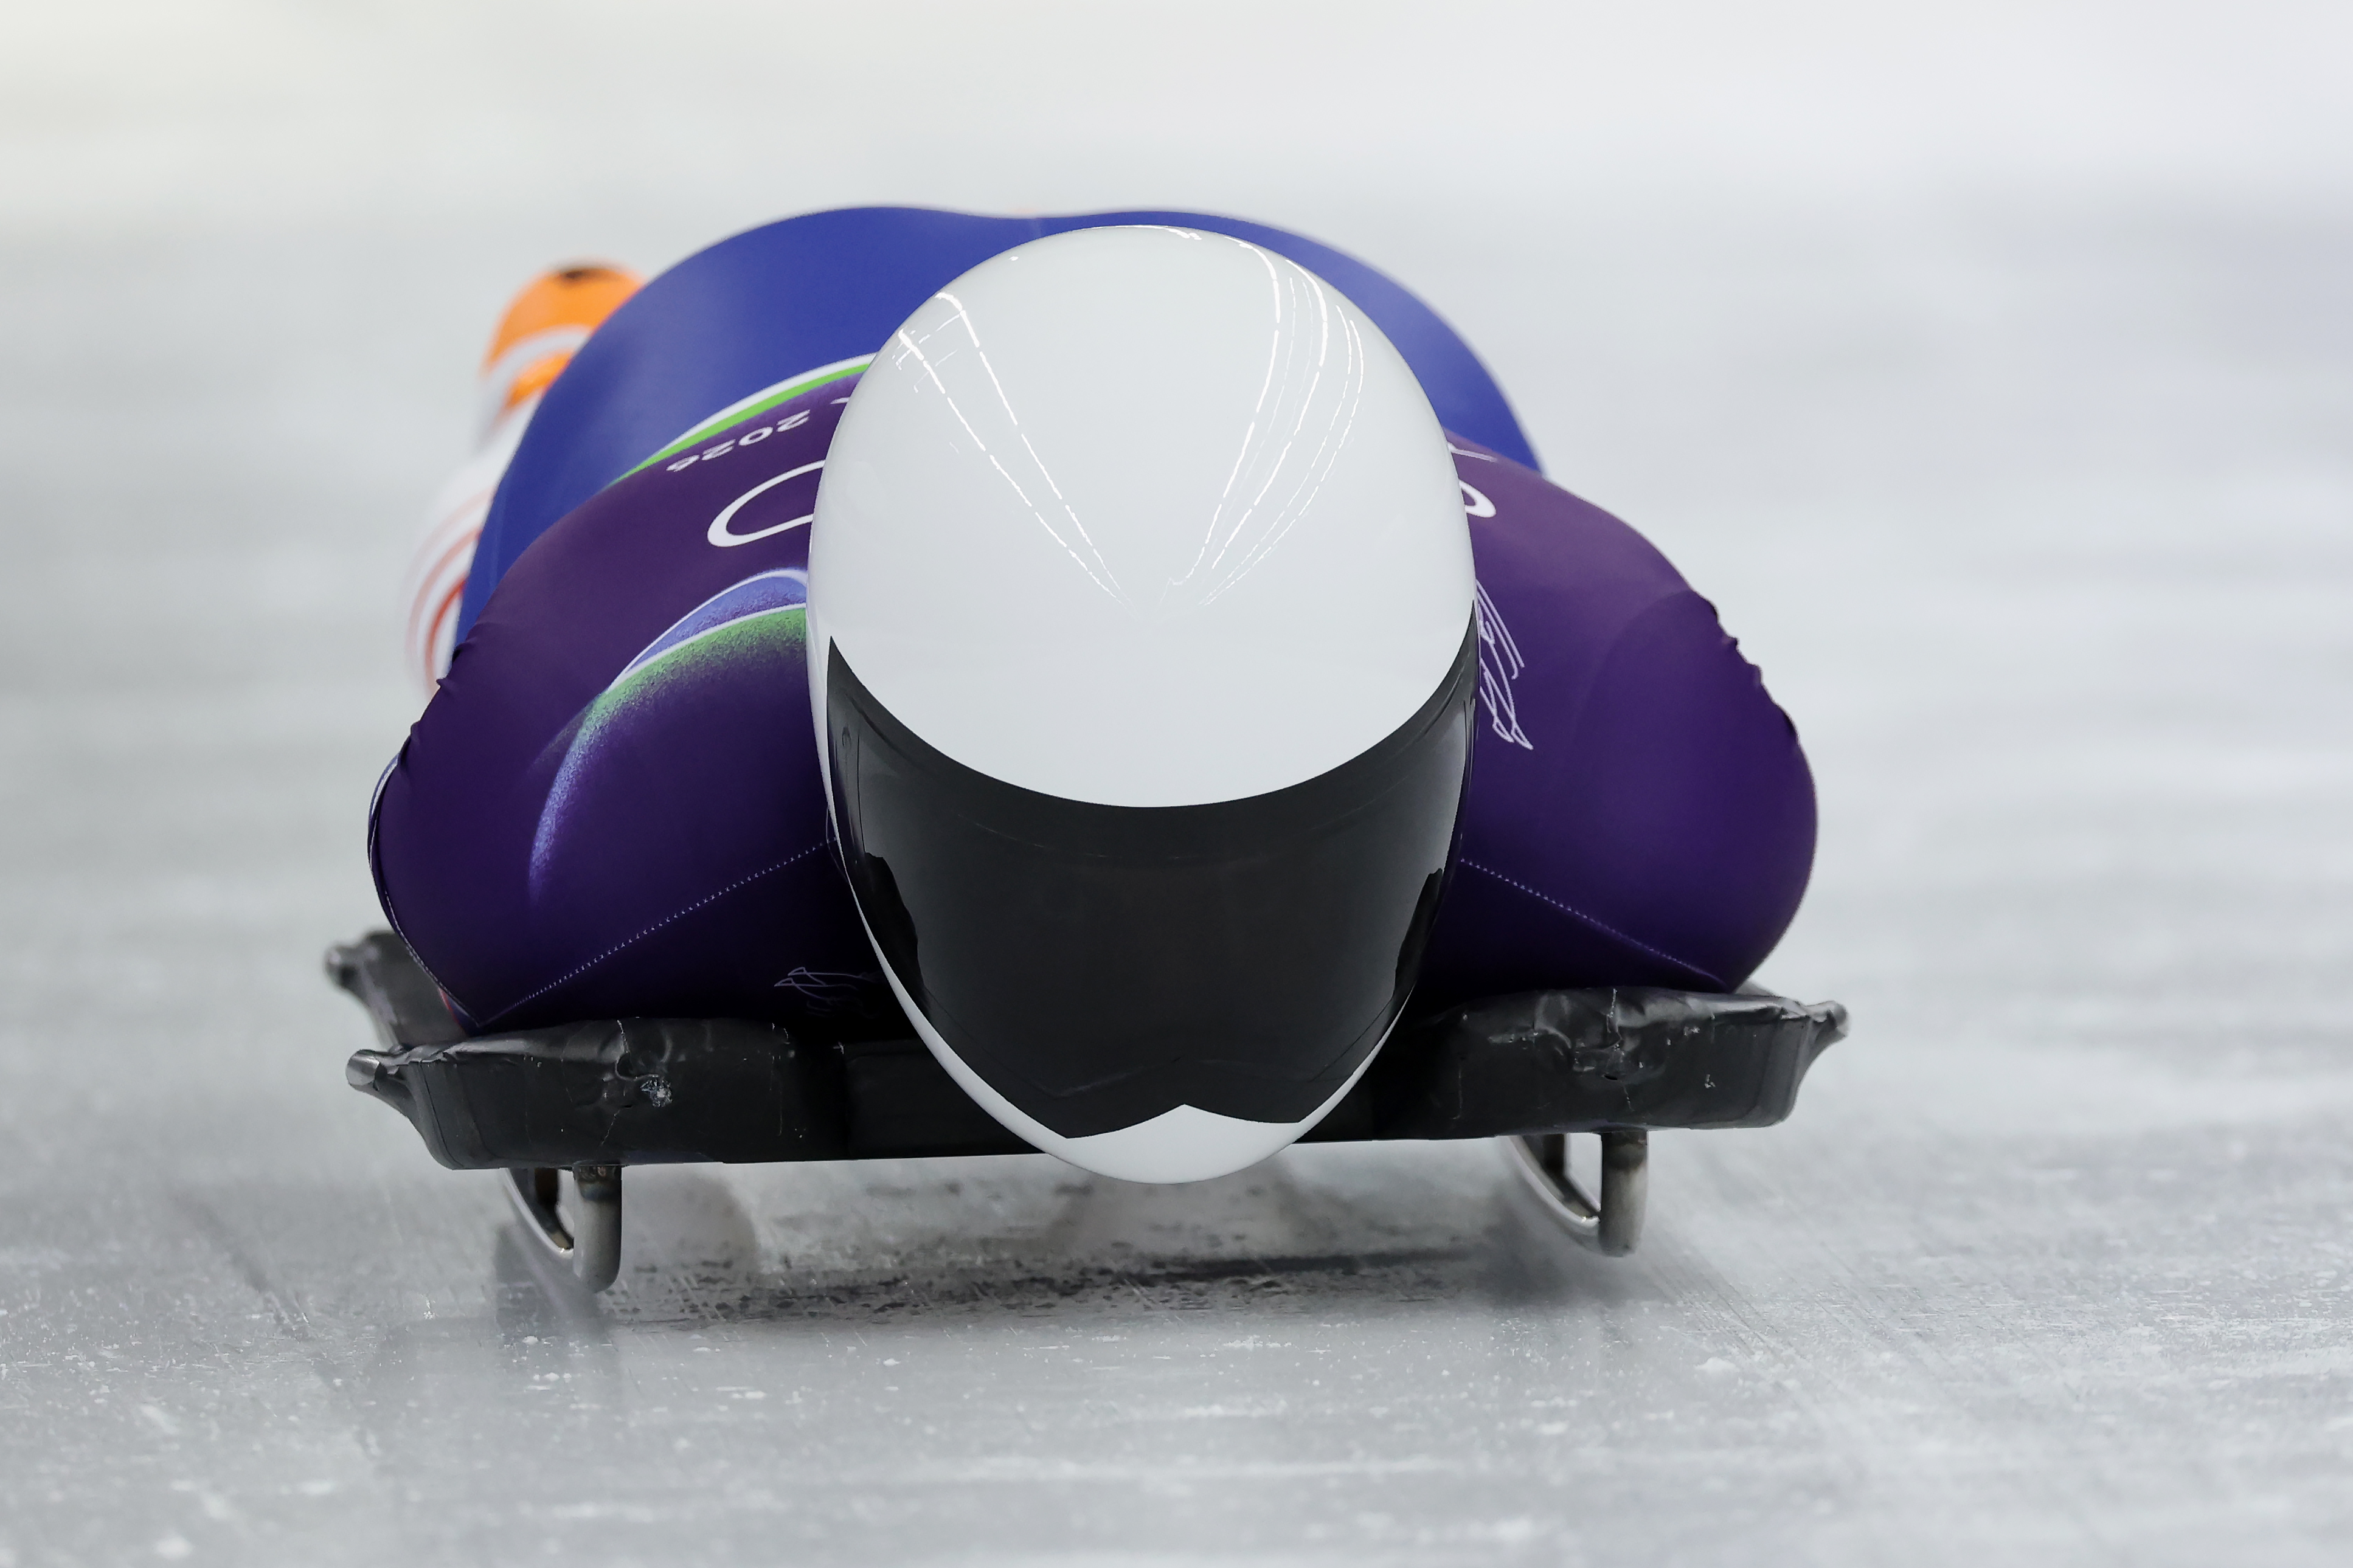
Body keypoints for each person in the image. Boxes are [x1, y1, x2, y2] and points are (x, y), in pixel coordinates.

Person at [369, 207, 1817, 1172]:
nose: (1177, 1039)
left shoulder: (1664, 782)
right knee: (508, 527)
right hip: (722, 356)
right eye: (1048, 874)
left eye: (1298, 861)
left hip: (1343, 356)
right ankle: (558, 353)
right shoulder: (562, 808)